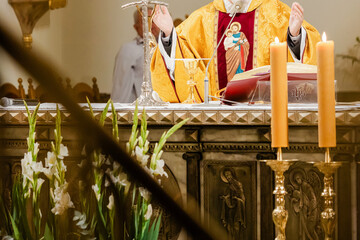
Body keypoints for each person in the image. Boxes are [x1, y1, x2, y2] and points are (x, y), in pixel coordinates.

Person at [151, 0, 321, 103]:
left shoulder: (277, 13)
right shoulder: (202, 18)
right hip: (215, 124)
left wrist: (295, 36)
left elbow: (307, 59)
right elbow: (182, 58)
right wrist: (168, 35)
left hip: (266, 120)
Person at [111, 9, 160, 103]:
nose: (151, 26)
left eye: (154, 21)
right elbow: (120, 88)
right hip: (142, 110)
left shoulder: (168, 47)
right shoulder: (128, 50)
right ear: (136, 27)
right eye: (145, 21)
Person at [220, 168, 246, 239]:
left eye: (229, 174)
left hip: (237, 209)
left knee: (236, 227)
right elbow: (228, 196)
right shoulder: (227, 187)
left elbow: (242, 198)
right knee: (229, 227)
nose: (228, 177)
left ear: (232, 175)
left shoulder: (238, 184)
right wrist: (225, 198)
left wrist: (237, 199)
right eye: (226, 175)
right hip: (229, 209)